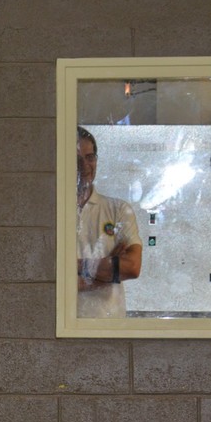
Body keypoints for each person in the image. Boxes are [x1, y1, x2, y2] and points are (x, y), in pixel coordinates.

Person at [76, 126, 143, 317]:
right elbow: (53, 279)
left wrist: (75, 266)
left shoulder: (119, 210)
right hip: (65, 326)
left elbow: (132, 267)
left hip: (109, 325)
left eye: (90, 157)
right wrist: (109, 268)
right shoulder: (54, 213)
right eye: (77, 159)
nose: (85, 165)